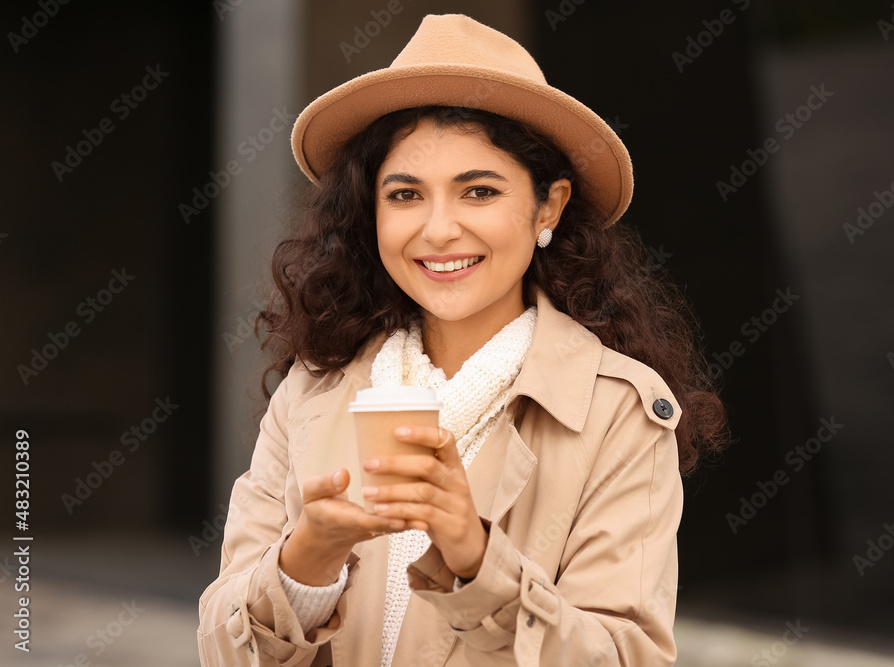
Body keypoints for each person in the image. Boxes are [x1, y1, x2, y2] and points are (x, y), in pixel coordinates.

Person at [198, 13, 726, 667]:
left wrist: (477, 558)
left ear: (549, 207)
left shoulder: (616, 409)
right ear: (372, 212)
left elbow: (627, 656)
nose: (439, 229)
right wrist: (307, 560)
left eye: (478, 191)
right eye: (406, 194)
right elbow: (224, 650)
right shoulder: (314, 388)